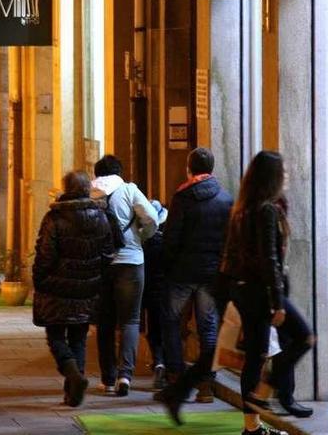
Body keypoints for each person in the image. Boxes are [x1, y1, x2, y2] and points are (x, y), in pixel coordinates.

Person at [222, 151, 312, 435]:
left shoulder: (243, 208)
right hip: (263, 292)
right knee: (303, 336)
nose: (287, 176)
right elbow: (269, 259)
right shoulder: (266, 210)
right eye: (283, 172)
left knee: (256, 355)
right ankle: (263, 393)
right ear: (272, 177)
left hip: (246, 291)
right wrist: (277, 303)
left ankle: (252, 426)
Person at [33, 171, 114, 407]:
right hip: (88, 288)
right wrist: (96, 277)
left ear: (66, 188)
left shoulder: (55, 217)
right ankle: (72, 392)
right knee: (78, 338)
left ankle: (74, 377)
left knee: (56, 336)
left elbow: (45, 254)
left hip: (58, 287)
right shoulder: (100, 216)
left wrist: (40, 279)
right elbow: (108, 252)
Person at [160, 147, 234, 401]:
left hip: (182, 272)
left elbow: (171, 238)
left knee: (169, 320)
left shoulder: (182, 197)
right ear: (212, 169)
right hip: (211, 274)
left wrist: (168, 266)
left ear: (189, 168)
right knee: (208, 327)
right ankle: (206, 384)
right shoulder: (226, 199)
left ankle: (177, 378)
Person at [90, 154, 159, 396]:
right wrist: (142, 236)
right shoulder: (129, 190)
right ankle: (125, 376)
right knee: (130, 320)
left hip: (101, 266)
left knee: (104, 323)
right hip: (131, 262)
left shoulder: (90, 194)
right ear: (119, 172)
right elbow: (151, 217)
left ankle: (107, 378)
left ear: (97, 173)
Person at [141, 200, 168, 390]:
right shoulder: (168, 240)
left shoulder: (144, 242)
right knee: (169, 327)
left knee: (153, 329)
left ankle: (158, 361)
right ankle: (168, 365)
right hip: (168, 291)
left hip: (148, 291)